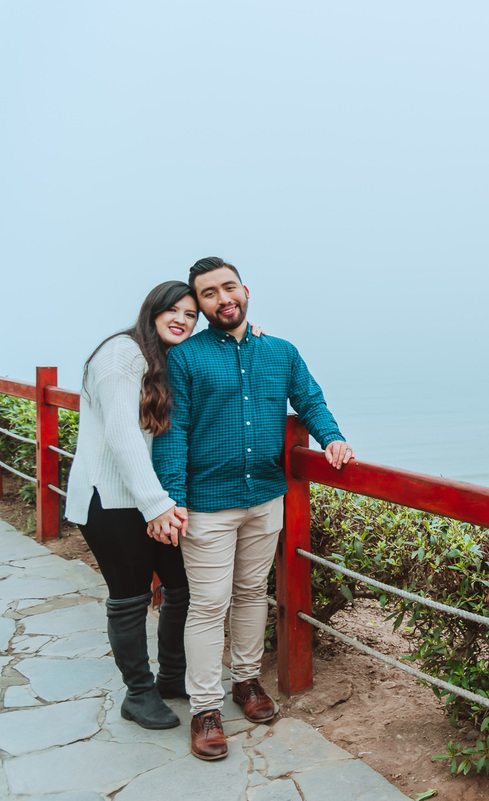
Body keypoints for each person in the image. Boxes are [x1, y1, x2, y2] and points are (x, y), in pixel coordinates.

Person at [152, 256, 355, 761]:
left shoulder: (281, 351)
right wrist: (173, 499)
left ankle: (246, 682)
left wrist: (331, 437)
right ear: (201, 305)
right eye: (209, 294)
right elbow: (173, 432)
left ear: (245, 290)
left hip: (266, 498)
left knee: (250, 594)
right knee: (208, 604)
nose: (223, 299)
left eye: (229, 288)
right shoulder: (186, 358)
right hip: (206, 505)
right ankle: (204, 709)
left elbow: (310, 400)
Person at [64, 281, 196, 730]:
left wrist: (247, 334)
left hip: (147, 499)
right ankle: (138, 694)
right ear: (152, 310)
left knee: (181, 587)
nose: (181, 319)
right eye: (173, 310)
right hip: (110, 500)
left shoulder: (159, 356)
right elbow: (122, 434)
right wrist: (157, 506)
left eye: (190, 315)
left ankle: (172, 676)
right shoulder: (121, 354)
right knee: (130, 598)